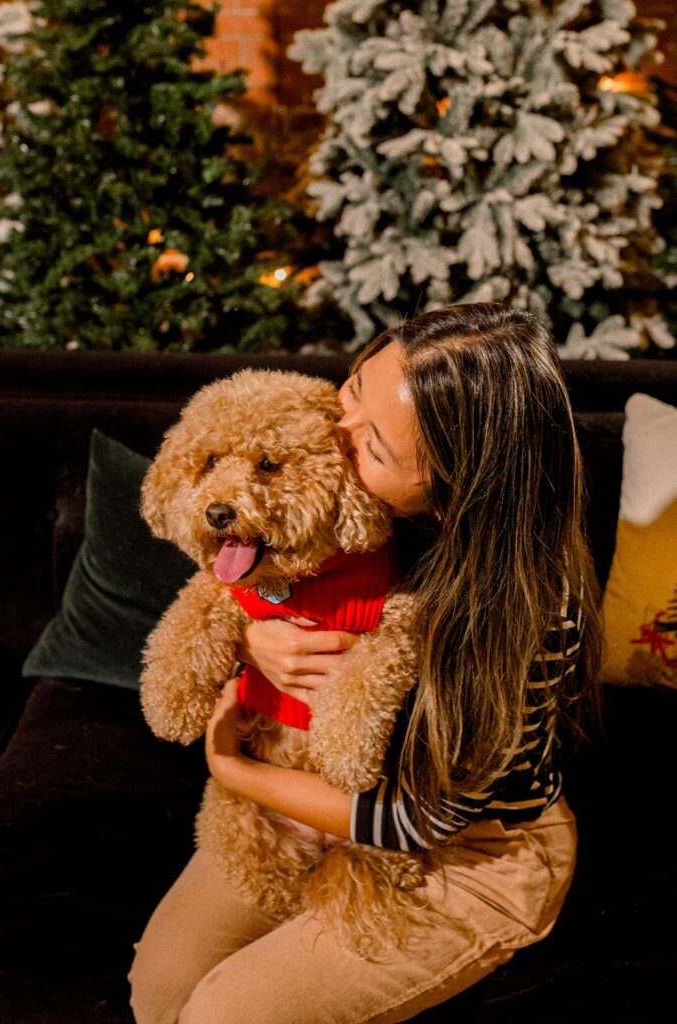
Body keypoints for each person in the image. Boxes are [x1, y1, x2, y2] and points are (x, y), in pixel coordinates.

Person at [129, 303, 604, 1024]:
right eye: (353, 389)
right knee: (160, 991)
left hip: (459, 849)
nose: (334, 430)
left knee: (222, 1016)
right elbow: (240, 577)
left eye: (374, 446)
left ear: (454, 488)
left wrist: (231, 769)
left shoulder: (527, 612)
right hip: (299, 789)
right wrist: (258, 639)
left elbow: (421, 821)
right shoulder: (354, 495)